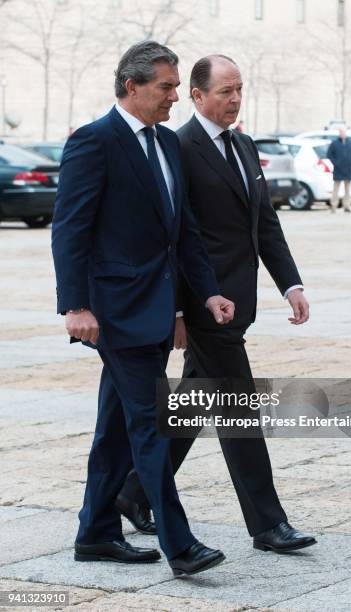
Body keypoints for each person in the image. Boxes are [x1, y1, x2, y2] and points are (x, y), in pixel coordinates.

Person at [116, 54, 317, 554]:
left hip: (237, 302)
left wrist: (289, 284)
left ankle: (132, 491)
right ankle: (268, 524)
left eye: (240, 90)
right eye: (225, 91)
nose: (235, 100)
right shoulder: (177, 147)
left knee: (194, 401)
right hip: (204, 305)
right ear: (198, 96)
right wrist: (180, 310)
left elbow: (263, 224)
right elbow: (173, 234)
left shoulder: (245, 146)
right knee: (238, 408)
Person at [51, 41, 236, 577]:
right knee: (150, 427)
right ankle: (181, 546)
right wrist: (75, 305)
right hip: (115, 314)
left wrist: (204, 293)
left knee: (114, 429)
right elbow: (70, 230)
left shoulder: (167, 145)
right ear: (131, 86)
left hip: (156, 312)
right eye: (167, 86)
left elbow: (185, 234)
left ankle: (95, 533)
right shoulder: (94, 141)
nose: (176, 96)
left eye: (178, 86)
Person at [327, 128, 351, 213]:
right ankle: (333, 206)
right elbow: (329, 154)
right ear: (339, 133)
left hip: (348, 169)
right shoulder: (335, 143)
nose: (342, 134)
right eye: (341, 132)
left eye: (344, 132)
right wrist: (335, 163)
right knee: (336, 188)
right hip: (338, 169)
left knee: (347, 189)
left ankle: (347, 206)